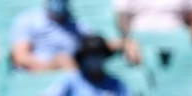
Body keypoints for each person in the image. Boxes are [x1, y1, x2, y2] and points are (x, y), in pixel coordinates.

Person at [33, 35, 133, 96]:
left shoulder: (117, 84)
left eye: (98, 54)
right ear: (83, 58)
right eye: (90, 55)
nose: (94, 59)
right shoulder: (72, 79)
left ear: (104, 56)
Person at [11, 0, 140, 72]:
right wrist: (52, 64)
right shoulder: (27, 19)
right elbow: (20, 57)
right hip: (39, 75)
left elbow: (97, 45)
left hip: (71, 71)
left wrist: (125, 42)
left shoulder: (77, 25)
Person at [114, 0, 192, 41]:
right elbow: (122, 18)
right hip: (140, 42)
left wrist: (191, 44)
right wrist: (129, 41)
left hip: (177, 41)